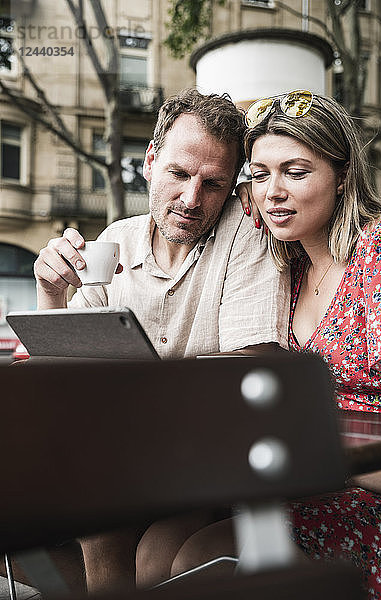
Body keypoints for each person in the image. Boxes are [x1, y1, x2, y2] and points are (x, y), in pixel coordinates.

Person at [137, 90, 381, 599]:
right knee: (155, 546)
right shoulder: (288, 259)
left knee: (197, 558)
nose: (273, 193)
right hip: (291, 484)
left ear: (343, 174)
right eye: (259, 175)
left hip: (375, 489)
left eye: (296, 173)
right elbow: (217, 205)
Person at [32, 88, 290, 592]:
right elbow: (56, 372)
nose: (193, 199)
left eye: (213, 184)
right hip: (122, 458)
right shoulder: (118, 240)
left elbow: (250, 375)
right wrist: (50, 294)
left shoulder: (247, 235)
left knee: (105, 520)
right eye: (179, 174)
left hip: (210, 462)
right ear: (149, 162)